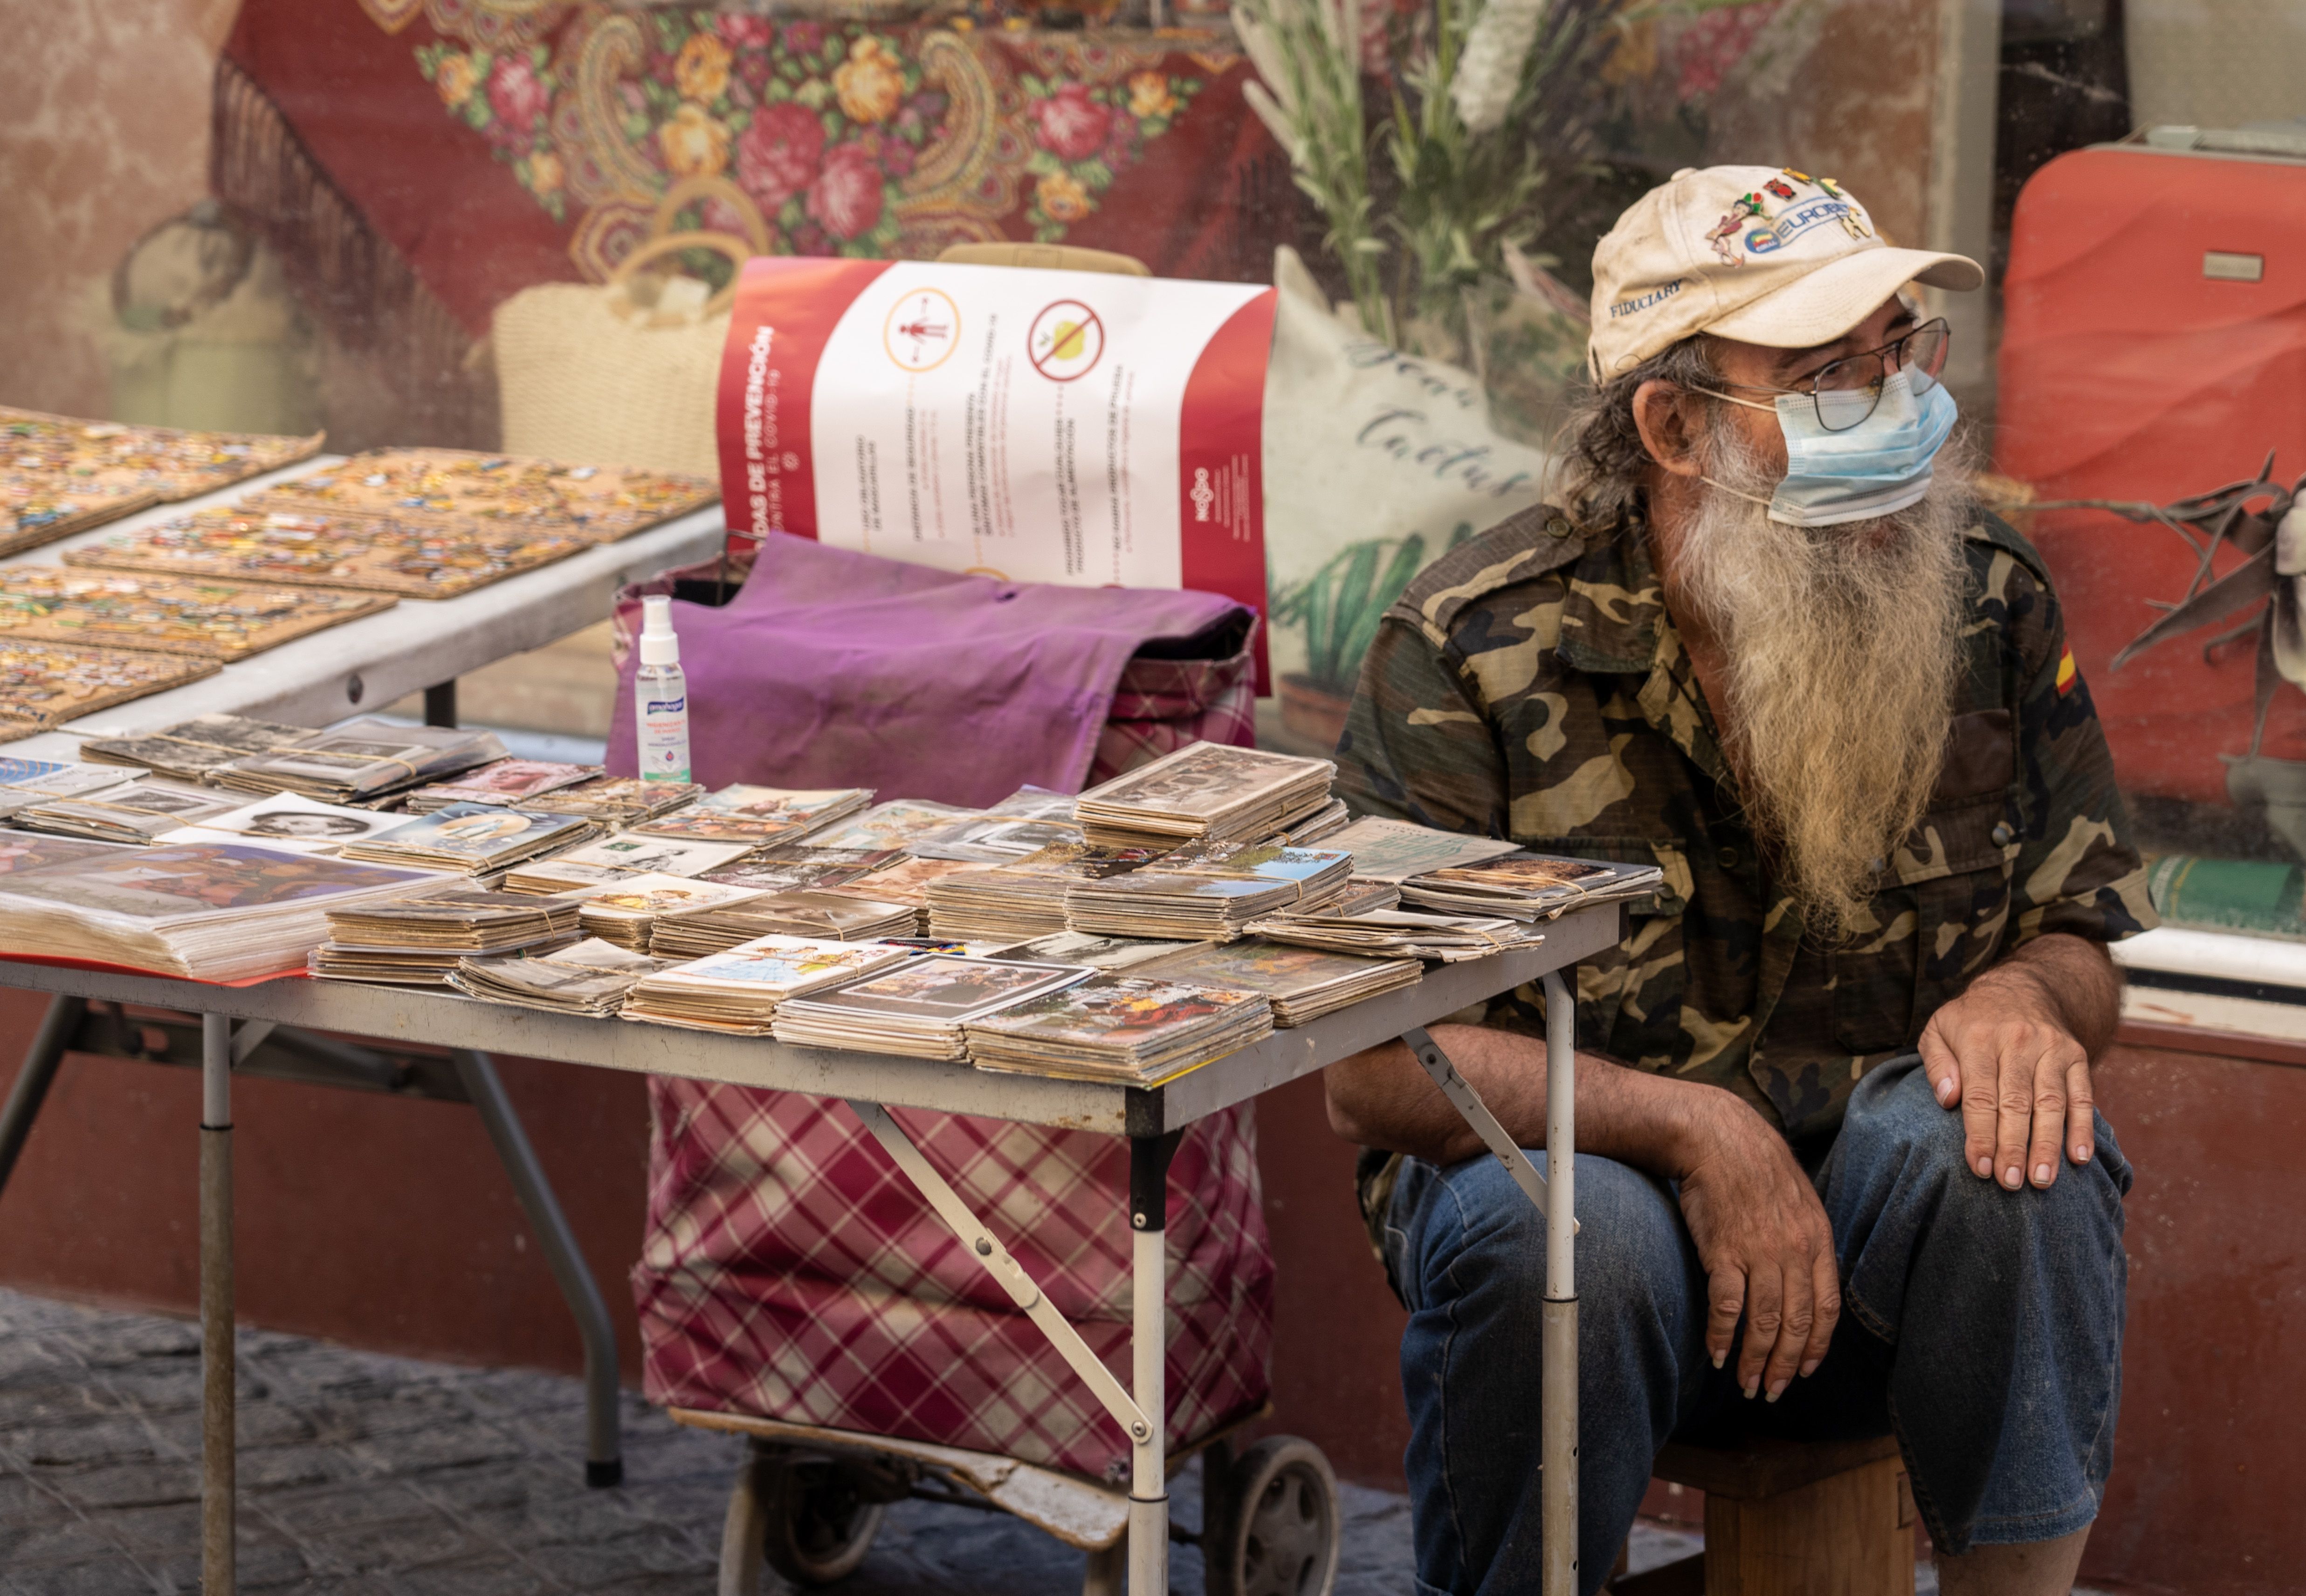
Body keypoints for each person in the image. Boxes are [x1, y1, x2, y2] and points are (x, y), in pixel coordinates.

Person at [1327, 166, 2155, 1596]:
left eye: (1900, 352)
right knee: (1562, 1229)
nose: (1894, 407)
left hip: (1891, 1253)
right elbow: (1377, 1063)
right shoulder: (1472, 649)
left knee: (2018, 1151)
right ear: (1673, 425)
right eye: (1829, 377)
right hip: (1594, 1239)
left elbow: (2080, 931)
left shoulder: (1986, 596)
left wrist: (2030, 997)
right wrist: (1694, 1130)